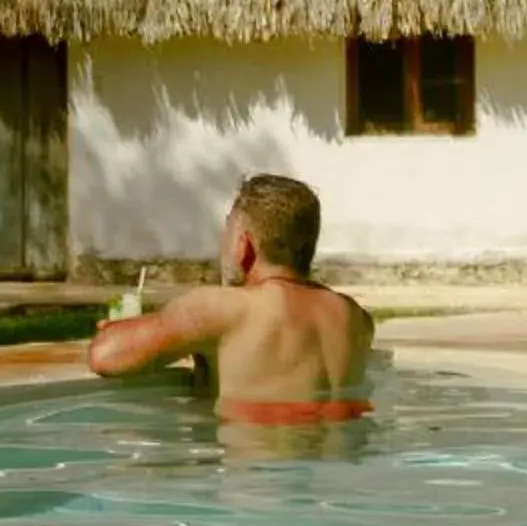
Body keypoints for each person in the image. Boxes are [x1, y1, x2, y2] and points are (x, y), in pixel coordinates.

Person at [85, 173, 374, 425]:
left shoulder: (227, 309)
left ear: (243, 246)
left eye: (226, 231)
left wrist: (128, 329)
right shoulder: (355, 319)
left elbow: (105, 356)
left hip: (256, 485)